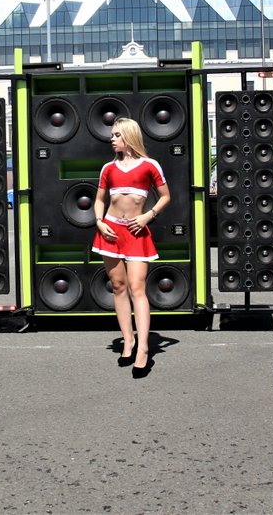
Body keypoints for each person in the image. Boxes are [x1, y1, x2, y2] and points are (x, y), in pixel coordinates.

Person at [92, 117, 171, 379]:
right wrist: (99, 222)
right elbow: (99, 200)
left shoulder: (150, 165)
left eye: (116, 135)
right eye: (112, 135)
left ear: (129, 136)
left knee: (137, 288)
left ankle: (143, 349)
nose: (112, 139)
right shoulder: (108, 168)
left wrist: (149, 216)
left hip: (137, 231)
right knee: (118, 286)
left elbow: (166, 196)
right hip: (111, 232)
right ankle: (128, 341)